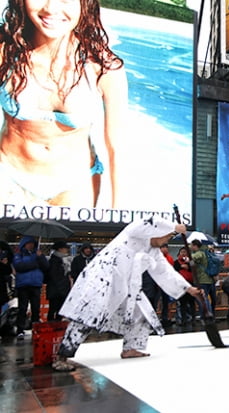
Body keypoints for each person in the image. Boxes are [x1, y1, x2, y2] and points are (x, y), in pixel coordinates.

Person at [0, 0, 127, 207]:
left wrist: (118, 215)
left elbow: (117, 148)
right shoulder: (5, 50)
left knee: (73, 241)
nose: (50, 8)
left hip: (75, 184)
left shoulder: (103, 67)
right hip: (8, 174)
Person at [52, 216, 203, 371]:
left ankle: (131, 348)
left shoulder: (154, 252)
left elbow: (165, 272)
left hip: (126, 286)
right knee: (87, 315)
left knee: (142, 314)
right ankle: (62, 356)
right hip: (102, 279)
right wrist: (174, 226)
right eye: (168, 235)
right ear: (158, 230)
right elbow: (149, 220)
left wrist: (188, 289)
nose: (168, 239)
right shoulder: (134, 232)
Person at [13, 236, 49, 340]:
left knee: (36, 308)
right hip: (23, 285)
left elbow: (46, 266)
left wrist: (41, 257)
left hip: (36, 284)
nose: (31, 245)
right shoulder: (19, 255)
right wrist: (35, 263)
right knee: (23, 308)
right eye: (29, 243)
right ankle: (20, 329)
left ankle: (35, 328)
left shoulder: (37, 254)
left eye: (32, 243)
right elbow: (19, 266)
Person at [46, 241, 73, 321]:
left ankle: (58, 325)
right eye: (65, 248)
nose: (67, 250)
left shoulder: (64, 260)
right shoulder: (54, 261)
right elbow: (54, 275)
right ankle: (51, 325)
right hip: (55, 290)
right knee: (53, 308)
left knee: (60, 310)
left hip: (62, 289)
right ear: (60, 249)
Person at [190, 239, 213, 316]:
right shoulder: (205, 253)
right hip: (207, 279)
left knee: (202, 298)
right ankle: (208, 314)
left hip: (202, 280)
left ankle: (206, 315)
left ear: (195, 246)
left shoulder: (200, 253)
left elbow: (192, 257)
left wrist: (187, 257)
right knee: (205, 298)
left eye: (191, 245)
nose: (190, 246)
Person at [173, 246, 195, 325]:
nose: (183, 253)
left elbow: (194, 268)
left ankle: (193, 319)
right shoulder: (176, 262)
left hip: (190, 283)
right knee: (183, 303)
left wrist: (188, 266)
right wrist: (181, 266)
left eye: (185, 252)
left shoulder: (191, 261)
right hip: (180, 284)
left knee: (191, 302)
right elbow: (174, 270)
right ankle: (183, 320)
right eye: (182, 252)